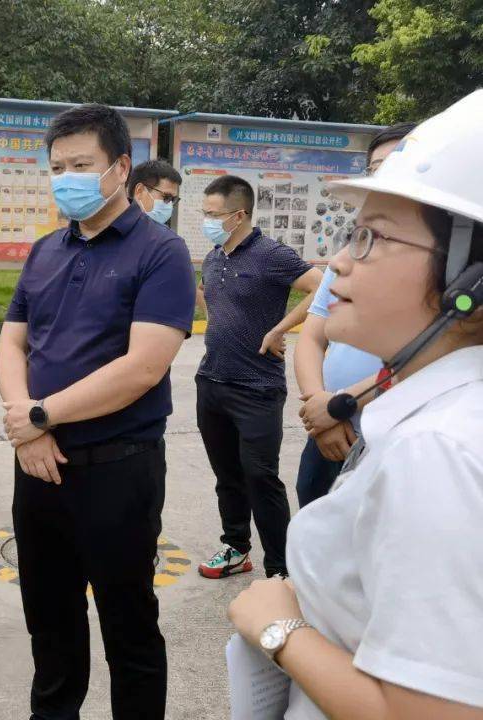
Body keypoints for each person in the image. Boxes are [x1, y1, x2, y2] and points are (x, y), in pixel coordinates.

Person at [229, 89, 483, 720]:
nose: (338, 262)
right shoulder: (439, 413)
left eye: (371, 238)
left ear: (469, 286)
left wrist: (279, 630)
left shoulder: (439, 452)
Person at [0, 104, 196, 720]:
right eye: (56, 167)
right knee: (49, 619)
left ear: (119, 167)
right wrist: (26, 424)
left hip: (118, 470)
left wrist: (39, 416)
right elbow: (11, 341)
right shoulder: (45, 251)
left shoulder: (162, 253)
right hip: (39, 466)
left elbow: (143, 367)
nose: (66, 179)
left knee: (128, 623)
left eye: (81, 165)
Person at [195, 175, 323, 579]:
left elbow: (322, 288)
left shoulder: (272, 255)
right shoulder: (215, 257)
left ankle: (281, 570)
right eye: (204, 213)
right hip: (212, 381)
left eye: (212, 214)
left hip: (257, 388)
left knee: (260, 477)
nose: (206, 221)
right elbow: (219, 309)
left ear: (239, 215)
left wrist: (281, 328)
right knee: (227, 476)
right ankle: (235, 547)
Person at [292, 123, 415, 507]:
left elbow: (434, 357)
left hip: (390, 435)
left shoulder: (440, 262)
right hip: (329, 429)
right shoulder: (351, 251)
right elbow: (312, 337)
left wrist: (338, 405)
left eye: (399, 163)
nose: (385, 177)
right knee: (314, 514)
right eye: (376, 167)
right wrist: (319, 406)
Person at [127, 159, 182, 225]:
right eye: (167, 197)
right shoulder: (114, 228)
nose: (169, 205)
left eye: (173, 199)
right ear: (140, 191)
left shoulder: (165, 234)